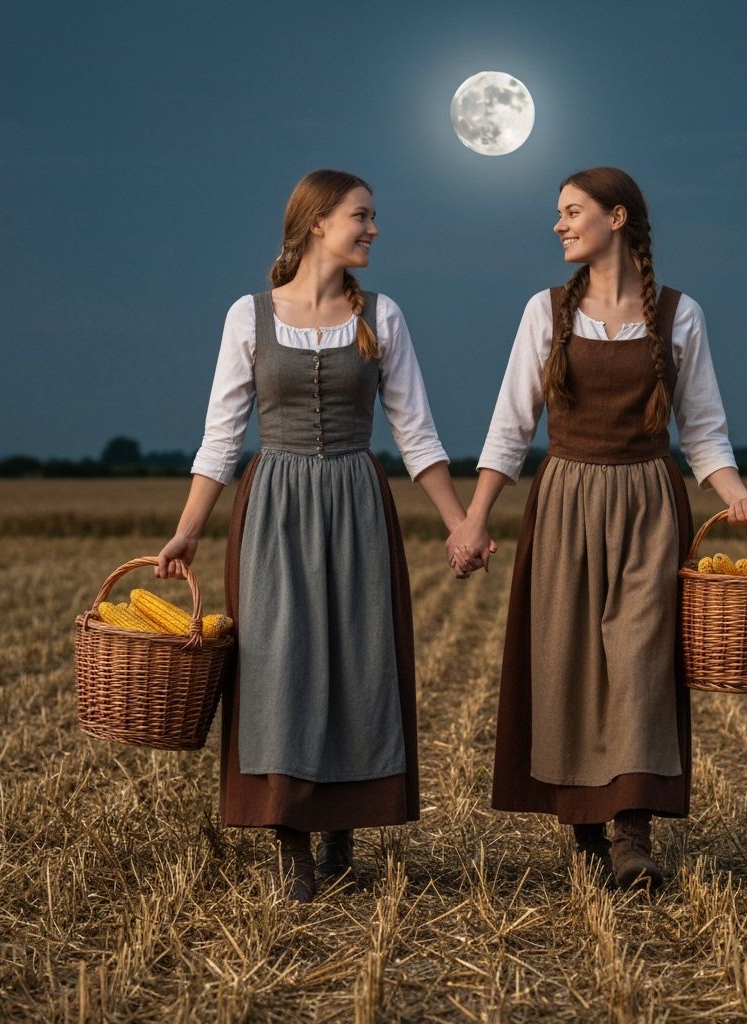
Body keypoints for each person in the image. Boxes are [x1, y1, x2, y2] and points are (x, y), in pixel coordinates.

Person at [157, 168, 488, 902]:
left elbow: (417, 434)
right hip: (273, 507)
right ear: (316, 224)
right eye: (361, 217)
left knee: (358, 662)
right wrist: (186, 532)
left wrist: (460, 521)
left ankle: (344, 827)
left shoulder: (384, 315)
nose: (373, 229)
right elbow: (220, 439)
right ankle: (292, 841)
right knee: (277, 665)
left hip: (356, 500)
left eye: (373, 218)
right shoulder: (248, 316)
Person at [446, 166, 747, 890]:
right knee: (566, 664)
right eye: (558, 214)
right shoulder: (547, 310)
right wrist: (472, 519)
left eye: (571, 211)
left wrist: (736, 494)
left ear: (617, 217)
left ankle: (632, 835)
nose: (559, 225)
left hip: (652, 504)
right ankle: (583, 825)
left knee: (642, 664)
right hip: (564, 502)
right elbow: (509, 429)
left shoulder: (679, 315)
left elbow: (705, 432)